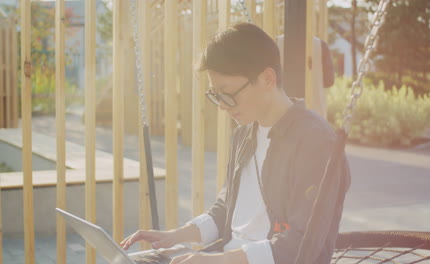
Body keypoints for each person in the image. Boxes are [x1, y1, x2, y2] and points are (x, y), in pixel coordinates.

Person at [120, 23, 350, 264]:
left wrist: (215, 261)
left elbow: (302, 242)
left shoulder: (315, 141)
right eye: (215, 95)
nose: (222, 105)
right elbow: (226, 210)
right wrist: (174, 237)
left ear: (267, 78)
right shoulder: (244, 135)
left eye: (227, 92)